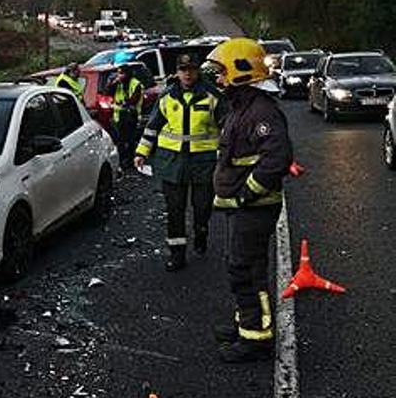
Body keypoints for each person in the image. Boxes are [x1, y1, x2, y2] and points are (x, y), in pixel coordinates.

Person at [202, 38, 293, 363]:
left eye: (223, 73)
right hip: (244, 209)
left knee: (245, 271)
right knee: (243, 267)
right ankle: (247, 324)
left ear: (242, 72)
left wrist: (245, 194)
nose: (219, 79)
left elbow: (276, 157)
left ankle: (256, 338)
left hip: (254, 208)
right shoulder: (242, 107)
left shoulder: (261, 111)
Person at [134, 55, 227, 271]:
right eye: (183, 69)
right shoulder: (167, 97)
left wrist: (227, 155)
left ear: (198, 71)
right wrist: (141, 152)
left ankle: (201, 231)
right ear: (177, 72)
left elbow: (227, 128)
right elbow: (152, 127)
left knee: (202, 207)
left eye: (192, 69)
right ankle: (177, 255)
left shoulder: (212, 96)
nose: (187, 73)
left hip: (203, 164)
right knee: (175, 210)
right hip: (172, 163)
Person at [106, 63, 144, 164]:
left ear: (127, 74)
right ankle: (122, 159)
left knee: (130, 140)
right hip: (119, 116)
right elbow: (108, 92)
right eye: (118, 73)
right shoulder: (119, 83)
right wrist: (113, 83)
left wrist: (122, 103)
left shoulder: (135, 84)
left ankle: (130, 159)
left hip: (131, 115)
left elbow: (133, 100)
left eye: (121, 73)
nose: (119, 76)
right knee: (120, 140)